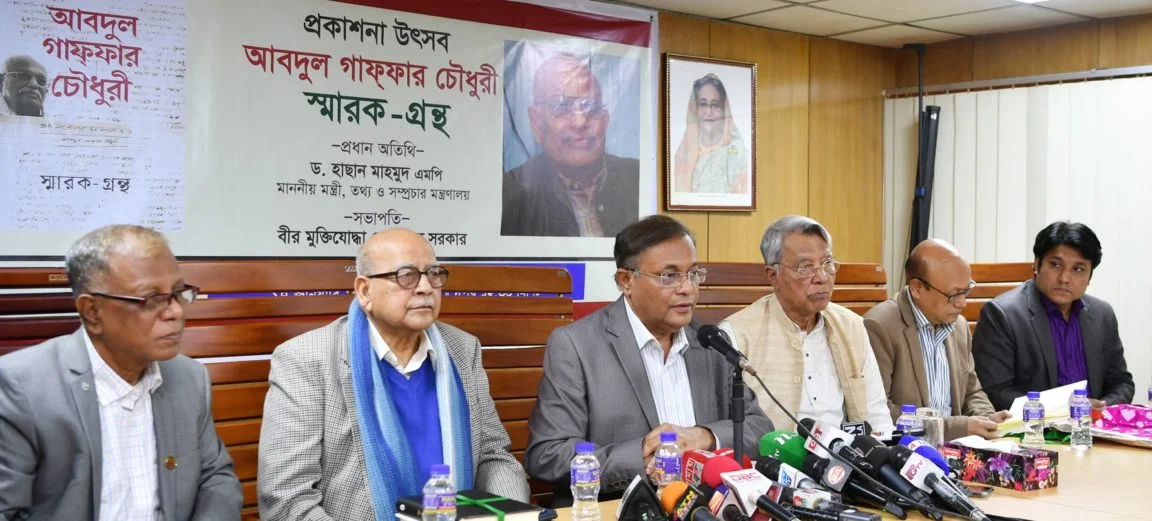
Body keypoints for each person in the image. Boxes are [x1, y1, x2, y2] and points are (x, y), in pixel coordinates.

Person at [258, 229, 528, 521]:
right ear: (365, 291)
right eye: (406, 276)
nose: (425, 287)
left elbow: (492, 456)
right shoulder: (307, 360)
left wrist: (511, 517)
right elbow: (287, 499)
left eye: (433, 274)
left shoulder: (462, 349)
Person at [0, 225, 242, 520]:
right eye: (151, 298)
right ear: (92, 312)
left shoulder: (188, 378)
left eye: (178, 293)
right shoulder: (21, 389)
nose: (176, 312)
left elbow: (216, 480)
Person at [525, 215, 772, 501]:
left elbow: (759, 429)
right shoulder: (576, 346)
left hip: (705, 507)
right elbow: (547, 455)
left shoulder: (709, 343)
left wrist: (703, 436)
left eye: (693, 273)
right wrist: (641, 455)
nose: (687, 288)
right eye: (669, 276)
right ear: (626, 280)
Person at [718, 215, 894, 432]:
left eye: (827, 263)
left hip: (844, 450)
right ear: (773, 276)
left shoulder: (852, 326)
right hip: (770, 452)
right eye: (805, 267)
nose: (822, 277)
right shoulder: (736, 335)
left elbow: (877, 416)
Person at [973, 221, 1134, 411]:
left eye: (1078, 269)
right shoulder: (1002, 315)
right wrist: (1065, 408)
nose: (1064, 278)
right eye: (1055, 265)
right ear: (1036, 264)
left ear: (1090, 276)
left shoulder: (1102, 314)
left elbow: (1121, 382)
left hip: (1094, 425)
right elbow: (994, 391)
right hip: (1034, 426)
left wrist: (1102, 409)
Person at [863, 239, 1009, 441]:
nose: (962, 303)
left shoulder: (959, 326)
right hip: (908, 449)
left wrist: (986, 419)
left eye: (966, 291)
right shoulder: (880, 326)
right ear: (917, 288)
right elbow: (878, 411)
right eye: (953, 295)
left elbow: (971, 392)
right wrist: (958, 427)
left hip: (957, 447)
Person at [501, 52, 639, 238]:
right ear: (536, 123)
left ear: (605, 120)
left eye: (591, 107)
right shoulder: (510, 192)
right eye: (562, 107)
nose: (580, 122)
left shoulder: (637, 178)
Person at [672, 73, 749, 195]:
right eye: (703, 104)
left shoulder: (736, 151)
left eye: (715, 105)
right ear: (695, 109)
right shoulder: (684, 153)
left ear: (724, 110)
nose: (708, 112)